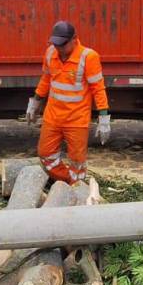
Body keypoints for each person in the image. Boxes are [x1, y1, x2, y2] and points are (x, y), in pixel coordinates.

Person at [26, 21, 110, 184]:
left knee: (77, 162)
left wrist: (104, 117)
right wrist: (35, 101)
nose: (59, 49)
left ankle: (77, 189)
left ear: (74, 39)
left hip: (76, 120)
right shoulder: (51, 53)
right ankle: (68, 181)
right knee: (45, 155)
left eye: (63, 45)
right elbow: (46, 79)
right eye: (56, 45)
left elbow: (98, 89)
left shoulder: (88, 57)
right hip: (53, 117)